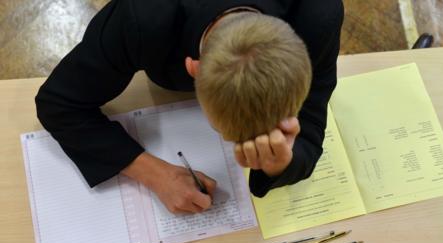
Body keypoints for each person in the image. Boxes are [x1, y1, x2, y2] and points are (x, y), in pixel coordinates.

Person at [35, 0, 344, 214]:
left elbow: (311, 124)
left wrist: (282, 162)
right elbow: (59, 103)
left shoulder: (318, 15)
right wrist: (153, 173)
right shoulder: (143, 17)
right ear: (193, 69)